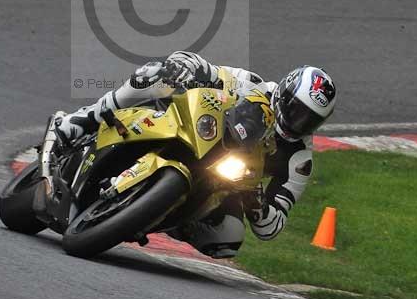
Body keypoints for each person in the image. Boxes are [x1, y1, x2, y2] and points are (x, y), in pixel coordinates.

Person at [54, 51, 337, 257]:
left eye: (309, 120)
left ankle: (165, 217)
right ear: (284, 93)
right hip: (191, 132)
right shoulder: (253, 85)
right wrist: (184, 65)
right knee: (154, 74)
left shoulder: (299, 159)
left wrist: (256, 201)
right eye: (297, 111)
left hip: (220, 181)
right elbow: (206, 68)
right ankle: (82, 120)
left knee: (229, 237)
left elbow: (272, 228)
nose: (299, 123)